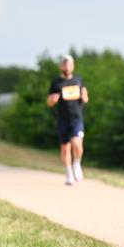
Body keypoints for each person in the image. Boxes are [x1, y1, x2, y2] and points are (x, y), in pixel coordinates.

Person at [47, 55, 89, 186]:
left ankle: (77, 163)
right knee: (65, 149)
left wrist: (84, 96)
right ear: (61, 66)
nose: (67, 67)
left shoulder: (78, 80)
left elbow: (86, 97)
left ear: (73, 66)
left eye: (69, 64)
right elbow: (49, 101)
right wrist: (52, 100)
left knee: (77, 144)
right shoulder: (56, 83)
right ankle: (68, 173)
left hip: (76, 118)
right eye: (64, 64)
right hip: (63, 119)